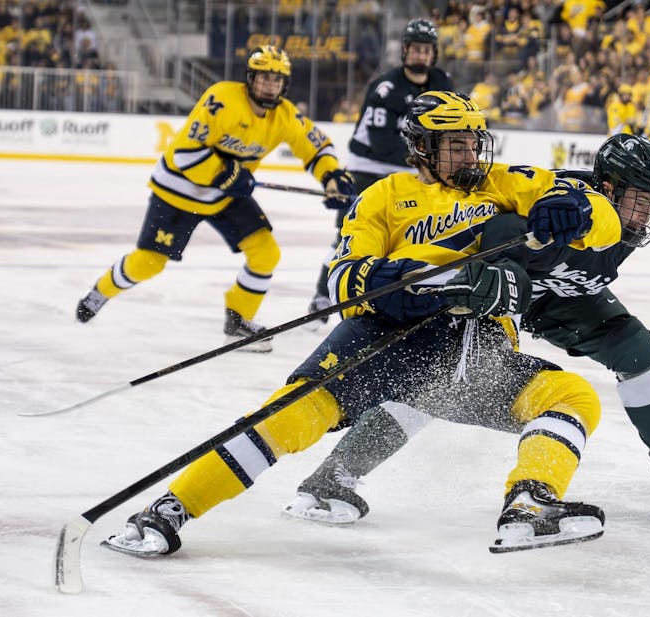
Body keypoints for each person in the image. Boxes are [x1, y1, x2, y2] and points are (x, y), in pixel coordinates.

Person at [100, 90, 621, 557]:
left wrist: (572, 207)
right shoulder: (384, 197)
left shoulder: (503, 184)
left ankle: (529, 505)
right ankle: (171, 511)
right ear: (422, 148)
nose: (470, 156)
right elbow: (346, 284)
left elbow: (605, 221)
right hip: (389, 341)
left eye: (473, 143)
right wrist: (431, 281)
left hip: (475, 354)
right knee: (289, 418)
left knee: (572, 396)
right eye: (456, 145)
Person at [283, 133, 650, 529]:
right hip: (496, 290)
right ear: (609, 187)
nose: (649, 211)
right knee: (442, 376)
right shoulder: (562, 200)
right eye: (642, 198)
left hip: (556, 295)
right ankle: (336, 474)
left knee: (635, 347)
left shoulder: (619, 221)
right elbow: (494, 231)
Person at [74, 46, 355, 352]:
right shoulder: (222, 99)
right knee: (149, 264)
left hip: (225, 194)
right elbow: (184, 153)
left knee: (266, 253)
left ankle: (238, 324)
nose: (269, 85)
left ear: (284, 84)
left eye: (277, 80)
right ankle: (101, 291)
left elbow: (315, 146)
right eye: (263, 77)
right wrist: (226, 172)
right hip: (178, 191)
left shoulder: (284, 115)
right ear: (250, 78)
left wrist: (332, 177)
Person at [307, 18, 454, 322]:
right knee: (350, 234)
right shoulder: (386, 87)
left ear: (434, 53)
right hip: (369, 167)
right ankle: (323, 295)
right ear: (404, 51)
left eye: (426, 50)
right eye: (415, 49)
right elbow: (382, 141)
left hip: (414, 165)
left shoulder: (442, 83)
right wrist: (430, 161)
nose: (421, 56)